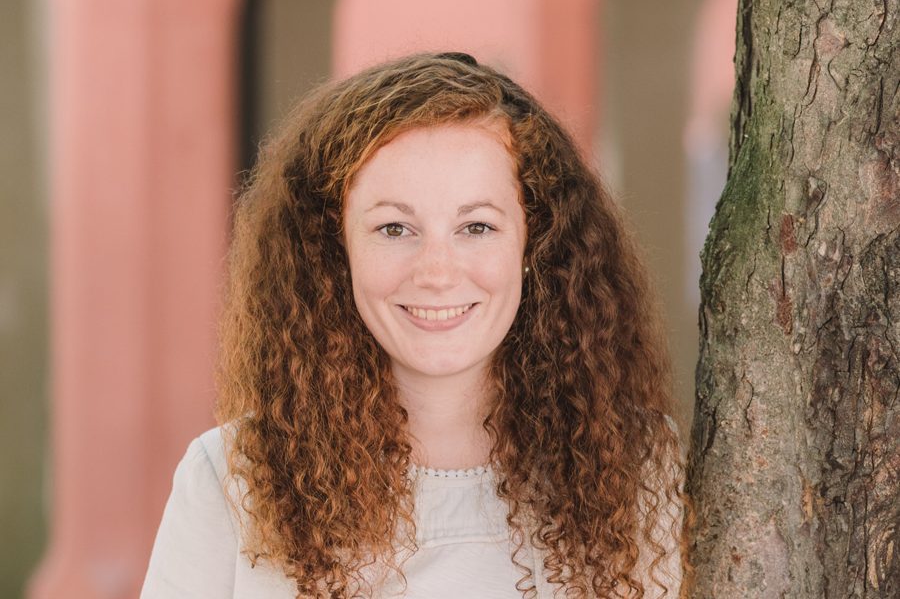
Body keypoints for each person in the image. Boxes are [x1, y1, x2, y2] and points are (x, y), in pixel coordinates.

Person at [141, 52, 689, 599]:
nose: (437, 273)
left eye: (477, 227)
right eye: (394, 229)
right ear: (334, 252)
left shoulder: (639, 469)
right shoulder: (229, 482)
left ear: (534, 243)